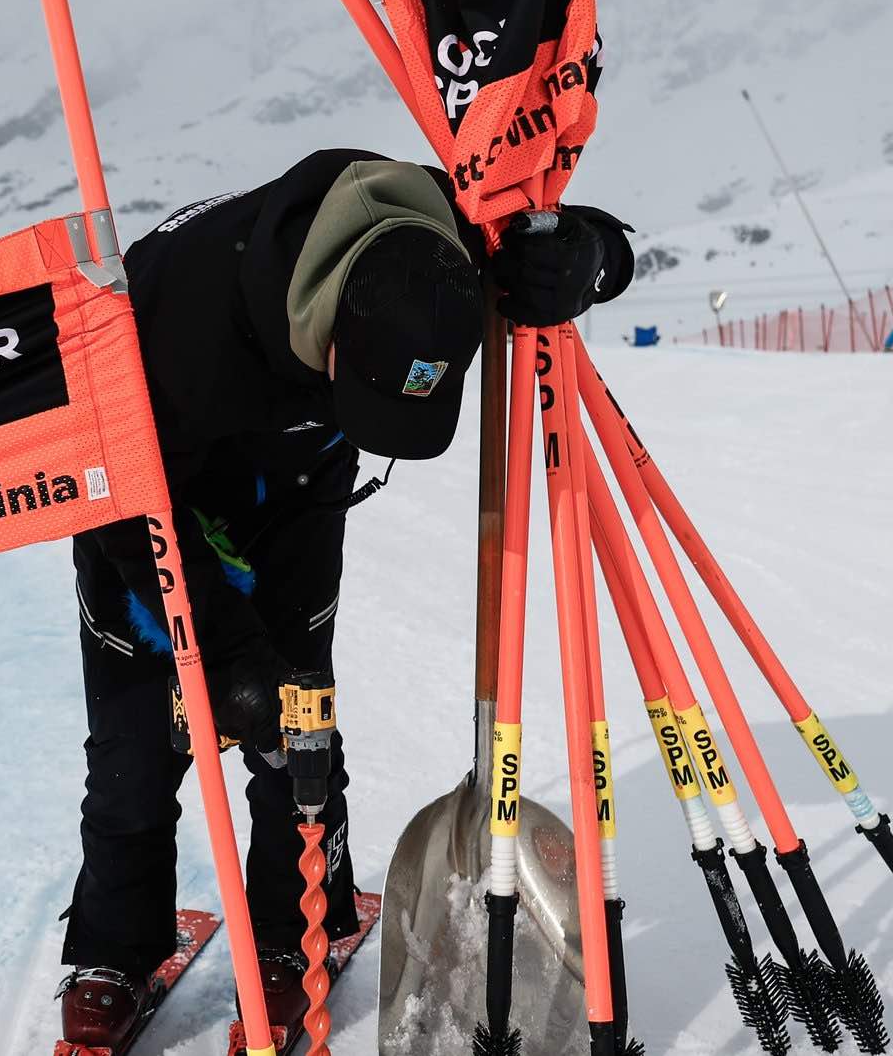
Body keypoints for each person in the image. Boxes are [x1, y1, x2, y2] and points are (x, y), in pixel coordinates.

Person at [55, 149, 633, 1047]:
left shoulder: (442, 240)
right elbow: (110, 491)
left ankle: (294, 934)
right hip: (143, 498)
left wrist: (590, 254)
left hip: (295, 492)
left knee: (296, 725)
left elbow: (564, 235)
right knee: (139, 741)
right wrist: (223, 654)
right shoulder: (173, 314)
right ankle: (114, 946)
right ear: (331, 340)